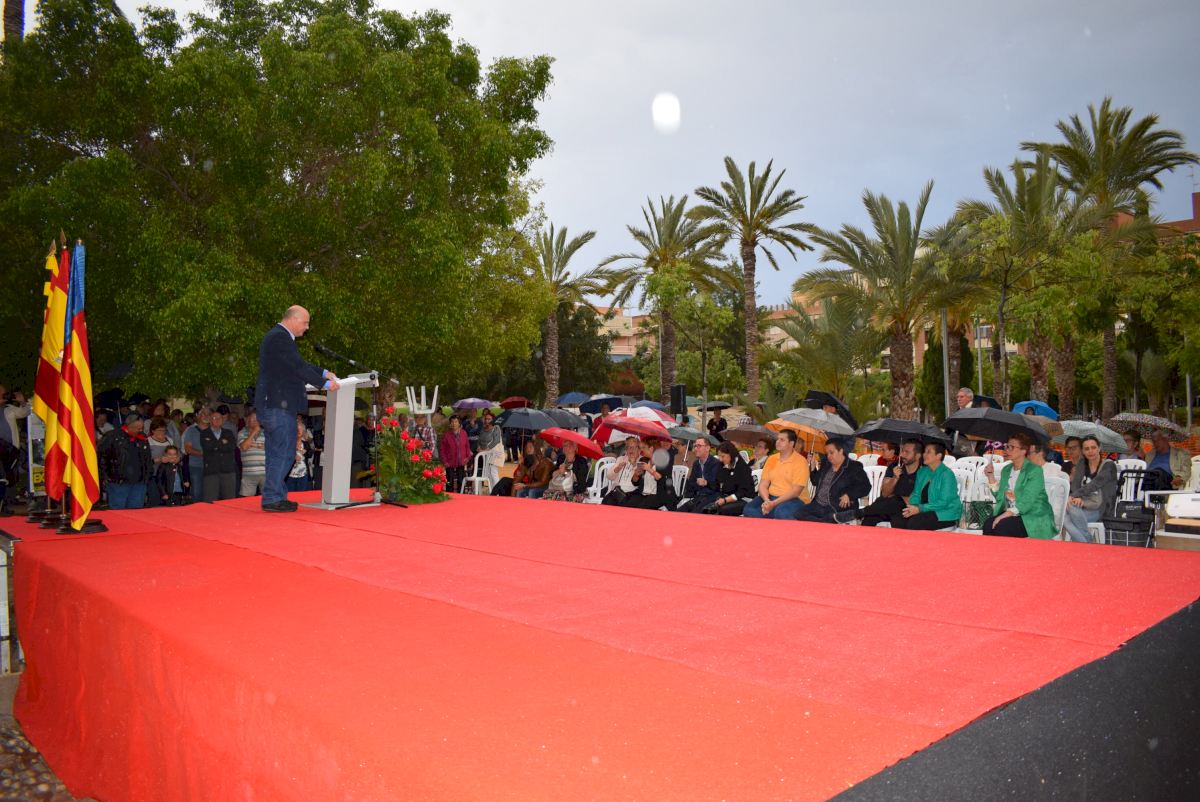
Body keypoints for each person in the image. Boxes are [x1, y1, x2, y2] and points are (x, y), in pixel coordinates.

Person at [256, 306, 339, 512]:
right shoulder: (280, 338)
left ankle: (275, 496)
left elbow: (298, 364)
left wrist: (323, 372)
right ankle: (273, 498)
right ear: (293, 319)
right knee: (283, 452)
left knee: (277, 452)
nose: (307, 327)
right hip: (278, 405)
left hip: (274, 405)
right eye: (305, 322)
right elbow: (298, 367)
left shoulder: (278, 337)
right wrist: (325, 384)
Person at [982, 432, 1055, 538]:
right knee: (988, 525)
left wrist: (1006, 514)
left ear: (1023, 451)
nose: (1007, 450)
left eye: (1012, 447)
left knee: (1002, 526)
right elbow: (1000, 496)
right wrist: (990, 476)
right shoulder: (1006, 470)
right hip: (1012, 513)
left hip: (1032, 515)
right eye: (1007, 446)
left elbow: (1028, 500)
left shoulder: (1035, 471)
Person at [883, 442, 962, 530]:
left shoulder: (947, 474)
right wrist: (912, 507)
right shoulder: (922, 472)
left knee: (914, 523)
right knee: (898, 520)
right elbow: (916, 494)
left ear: (938, 456)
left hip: (944, 513)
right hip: (925, 510)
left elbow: (944, 502)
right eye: (924, 452)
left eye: (928, 452)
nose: (924, 454)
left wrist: (919, 509)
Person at [794, 440, 871, 523]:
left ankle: (827, 520)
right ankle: (825, 522)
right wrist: (812, 466)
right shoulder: (826, 464)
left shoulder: (853, 467)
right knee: (798, 514)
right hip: (818, 505)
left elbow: (866, 487)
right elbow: (815, 481)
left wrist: (849, 495)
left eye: (831, 453)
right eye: (827, 453)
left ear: (841, 451)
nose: (829, 456)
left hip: (836, 507)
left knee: (826, 517)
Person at [743, 430, 810, 520]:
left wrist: (774, 503)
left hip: (794, 499)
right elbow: (763, 484)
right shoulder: (772, 459)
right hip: (771, 497)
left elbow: (796, 492)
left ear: (791, 443)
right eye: (778, 439)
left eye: (782, 440)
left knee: (781, 512)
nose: (778, 442)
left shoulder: (800, 462)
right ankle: (768, 522)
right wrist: (767, 500)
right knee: (749, 509)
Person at [1063, 435, 1118, 543]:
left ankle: (1087, 544)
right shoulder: (1082, 463)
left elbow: (1095, 484)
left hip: (1100, 508)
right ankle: (1089, 542)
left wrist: (1074, 496)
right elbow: (1075, 484)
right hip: (1081, 505)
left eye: (1093, 447)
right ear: (1083, 451)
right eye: (1086, 449)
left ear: (1099, 448)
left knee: (1069, 515)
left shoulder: (1108, 465)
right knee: (1065, 517)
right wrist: (1077, 497)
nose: (1090, 451)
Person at [860, 439, 922, 526]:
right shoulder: (894, 466)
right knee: (870, 517)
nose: (902, 455)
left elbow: (915, 500)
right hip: (886, 506)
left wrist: (901, 498)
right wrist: (895, 478)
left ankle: (860, 512)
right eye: (902, 451)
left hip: (908, 509)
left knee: (897, 503)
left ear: (917, 456)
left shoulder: (924, 472)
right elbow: (885, 493)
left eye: (907, 452)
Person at [98, 412, 152, 509]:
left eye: (141, 428)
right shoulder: (112, 436)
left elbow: (147, 458)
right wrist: (105, 476)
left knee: (136, 510)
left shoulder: (142, 438)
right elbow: (101, 456)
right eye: (137, 428)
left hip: (139, 482)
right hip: (118, 481)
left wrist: (147, 476)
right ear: (129, 426)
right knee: (118, 510)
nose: (140, 431)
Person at [615, 439, 671, 510]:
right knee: (625, 503)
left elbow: (662, 481)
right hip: (643, 494)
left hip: (657, 495)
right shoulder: (644, 460)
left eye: (644, 448)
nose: (641, 450)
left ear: (651, 449)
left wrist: (649, 470)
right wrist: (636, 475)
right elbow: (635, 483)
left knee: (640, 507)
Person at [705, 441, 756, 516]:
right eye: (719, 456)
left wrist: (725, 500)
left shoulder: (743, 468)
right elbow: (718, 484)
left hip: (743, 499)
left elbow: (742, 492)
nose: (720, 459)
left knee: (722, 510)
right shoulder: (722, 465)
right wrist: (707, 483)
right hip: (726, 497)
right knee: (705, 505)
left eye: (723, 456)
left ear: (731, 454)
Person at [200, 406, 238, 502]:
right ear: (210, 420)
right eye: (214, 418)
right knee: (210, 501)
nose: (217, 420)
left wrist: (215, 445)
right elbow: (208, 447)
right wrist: (222, 443)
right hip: (211, 471)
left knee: (230, 501)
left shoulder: (228, 433)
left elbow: (232, 447)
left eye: (220, 418)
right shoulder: (204, 433)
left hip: (228, 471)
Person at [676, 437, 720, 513]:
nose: (696, 448)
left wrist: (706, 483)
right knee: (679, 512)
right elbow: (691, 484)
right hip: (698, 496)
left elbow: (717, 486)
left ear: (707, 448)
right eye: (695, 446)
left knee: (695, 513)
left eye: (699, 446)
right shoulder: (696, 463)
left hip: (712, 497)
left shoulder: (715, 463)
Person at [602, 438, 642, 505]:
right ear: (626, 450)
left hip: (632, 494)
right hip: (618, 492)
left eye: (634, 447)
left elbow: (638, 480)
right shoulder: (621, 459)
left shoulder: (642, 460)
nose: (631, 450)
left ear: (639, 450)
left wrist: (634, 464)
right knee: (606, 502)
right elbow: (609, 476)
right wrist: (617, 469)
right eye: (628, 447)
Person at [182, 408, 210, 502]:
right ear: (198, 416)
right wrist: (204, 453)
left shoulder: (214, 430)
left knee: (209, 494)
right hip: (196, 466)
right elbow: (187, 449)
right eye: (204, 414)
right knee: (197, 493)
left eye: (208, 414)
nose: (206, 416)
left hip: (212, 467)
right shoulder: (191, 430)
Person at [238, 409, 267, 497]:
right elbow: (244, 447)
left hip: (266, 472)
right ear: (248, 420)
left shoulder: (266, 433)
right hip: (249, 473)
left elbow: (271, 448)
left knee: (267, 499)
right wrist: (254, 432)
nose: (255, 421)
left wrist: (252, 445)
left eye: (257, 419)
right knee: (246, 500)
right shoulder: (242, 433)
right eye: (252, 419)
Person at [439, 415, 472, 493]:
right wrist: (445, 461)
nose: (454, 424)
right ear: (450, 424)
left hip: (461, 461)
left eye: (456, 422)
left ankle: (461, 497)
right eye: (452, 422)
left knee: (461, 481)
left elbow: (467, 446)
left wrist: (467, 457)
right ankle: (449, 497)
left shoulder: (464, 433)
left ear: (459, 423)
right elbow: (442, 449)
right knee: (449, 482)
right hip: (449, 462)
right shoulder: (447, 435)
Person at [476, 411, 504, 493]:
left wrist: (486, 449)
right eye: (486, 419)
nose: (487, 420)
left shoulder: (496, 428)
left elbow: (496, 440)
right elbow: (480, 440)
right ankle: (492, 492)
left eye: (489, 419)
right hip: (486, 455)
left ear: (493, 420)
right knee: (488, 474)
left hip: (495, 454)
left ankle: (497, 492)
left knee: (493, 473)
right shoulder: (483, 429)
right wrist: (479, 447)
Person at [287, 415, 313, 492]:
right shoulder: (289, 442)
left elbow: (310, 454)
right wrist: (293, 456)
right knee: (291, 496)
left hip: (303, 474)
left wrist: (305, 452)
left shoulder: (305, 443)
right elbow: (284, 454)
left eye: (301, 430)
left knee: (301, 495)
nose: (299, 431)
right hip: (290, 474)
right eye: (297, 429)